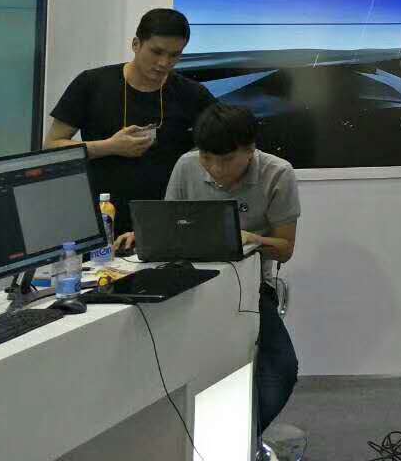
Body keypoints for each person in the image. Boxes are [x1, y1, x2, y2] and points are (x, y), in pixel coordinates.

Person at [116, 103, 300, 440]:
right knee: (150, 363)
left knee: (281, 368)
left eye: (226, 160)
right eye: (207, 158)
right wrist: (143, 236)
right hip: (187, 284)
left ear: (250, 150)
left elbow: (285, 248)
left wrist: (253, 239)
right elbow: (169, 226)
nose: (215, 168)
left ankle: (236, 440)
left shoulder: (278, 173)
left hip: (247, 291)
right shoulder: (186, 166)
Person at [46, 8, 213, 232]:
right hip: (101, 217)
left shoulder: (192, 94)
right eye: (156, 52)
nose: (164, 62)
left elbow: (226, 140)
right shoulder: (92, 84)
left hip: (165, 221)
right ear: (136, 44)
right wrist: (109, 146)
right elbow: (51, 148)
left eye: (174, 55)